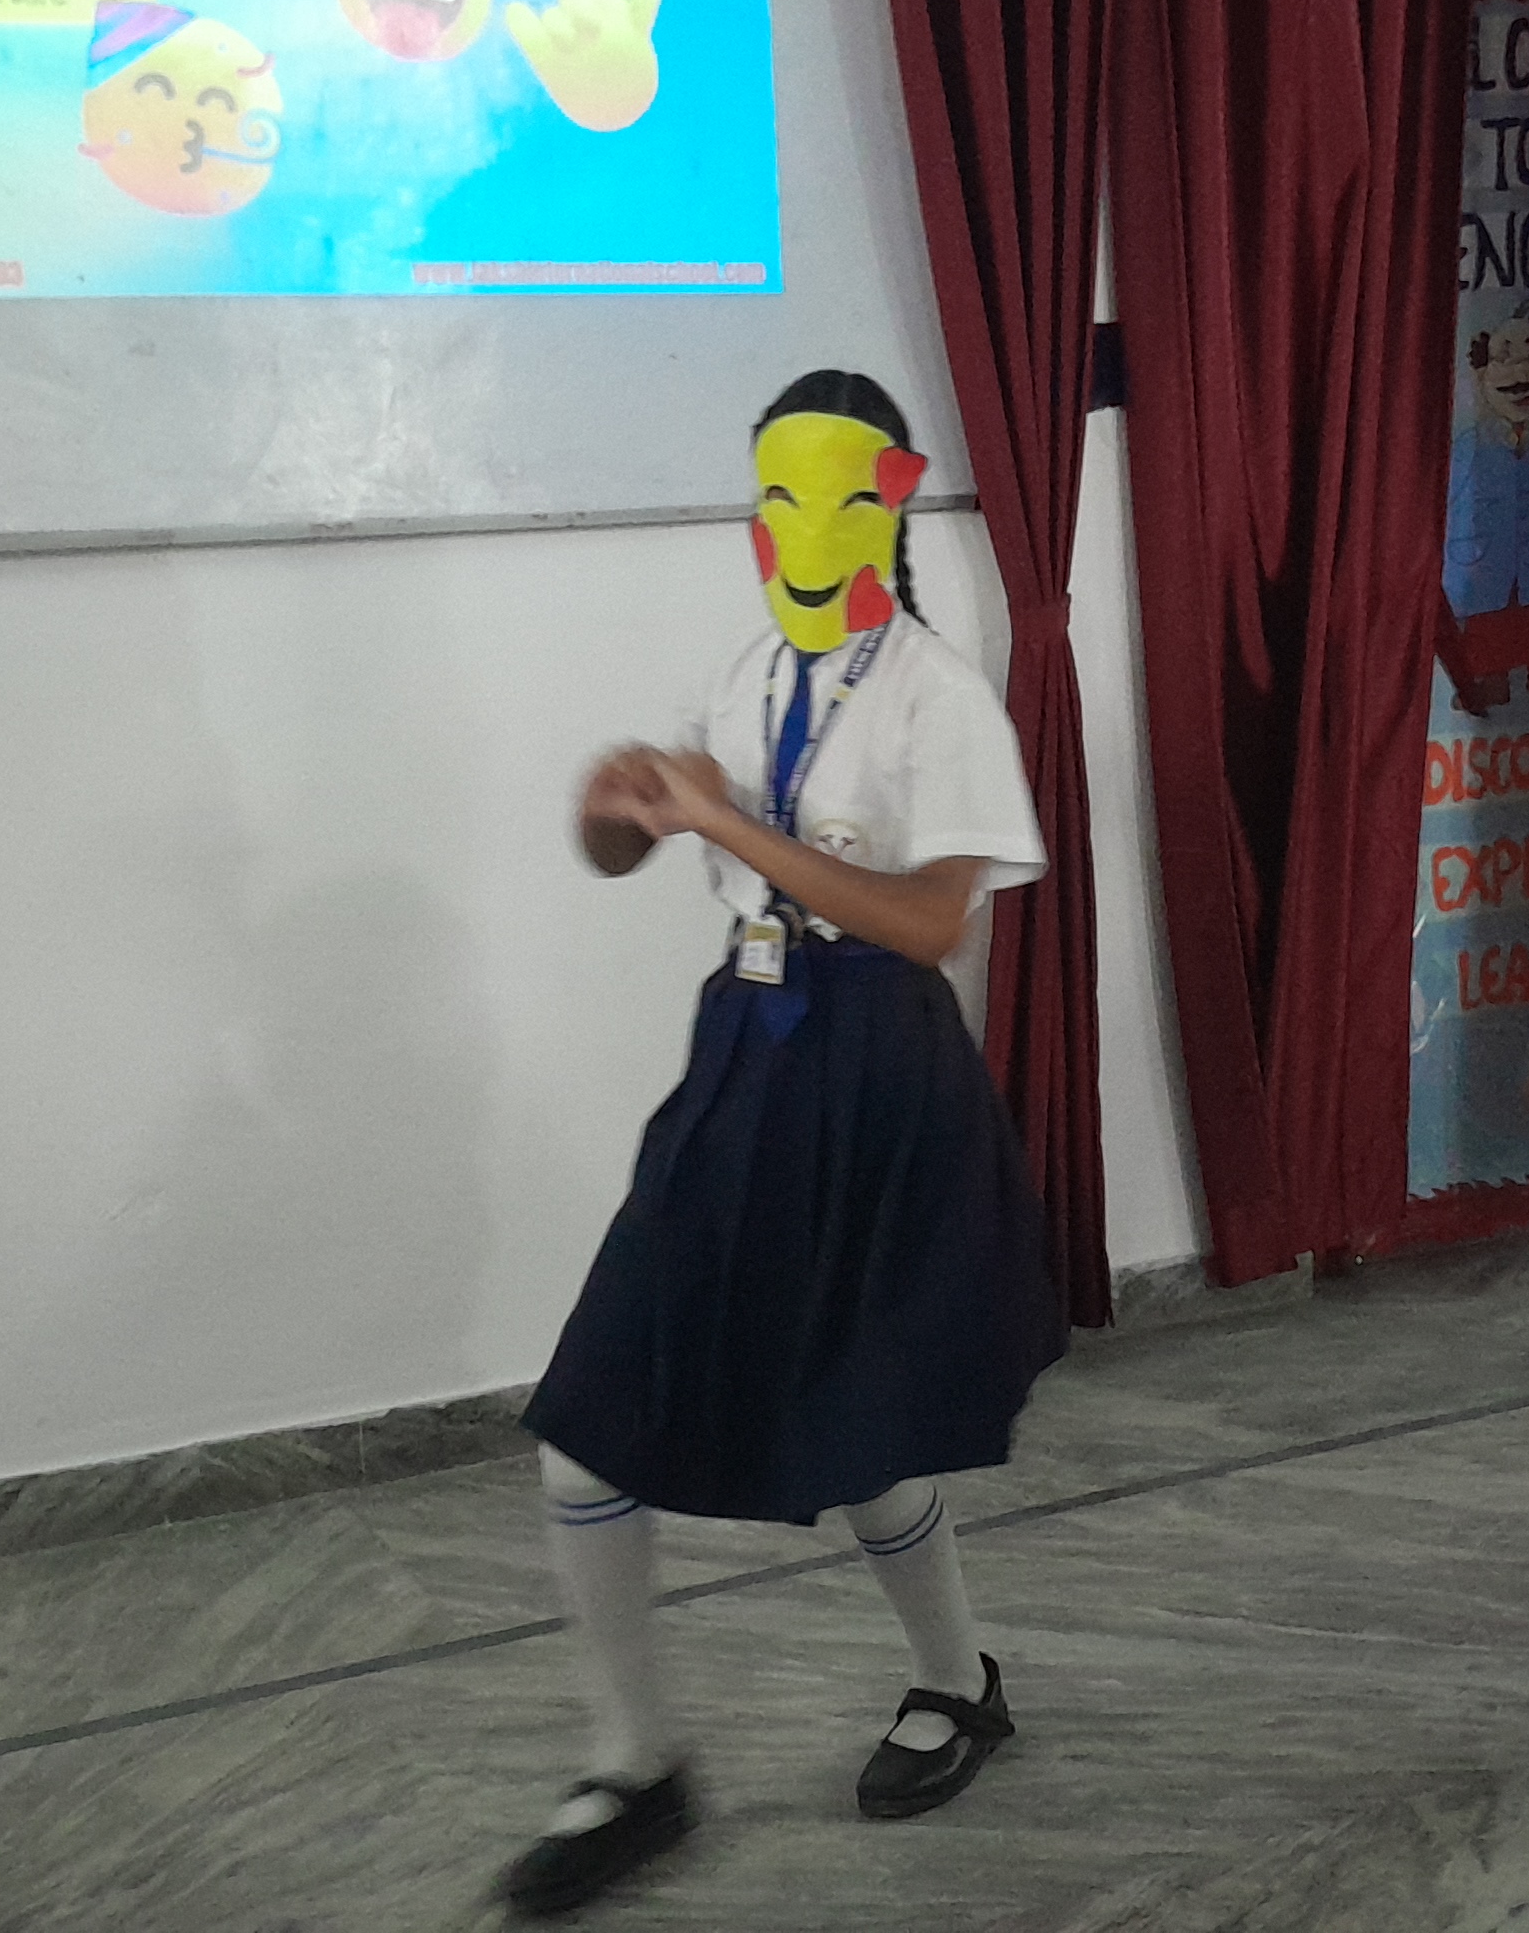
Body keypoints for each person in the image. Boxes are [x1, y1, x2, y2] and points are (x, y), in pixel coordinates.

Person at [506, 371, 1067, 1916]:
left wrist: (729, 823)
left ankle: (957, 1680)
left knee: (861, 1430)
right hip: (746, 1055)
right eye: (774, 498)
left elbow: (930, 924)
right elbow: (632, 849)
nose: (796, 528)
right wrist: (621, 804)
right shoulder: (749, 672)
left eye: (828, 496)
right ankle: (636, 1763)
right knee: (588, 1427)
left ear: (888, 502)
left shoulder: (938, 697)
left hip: (882, 1074)